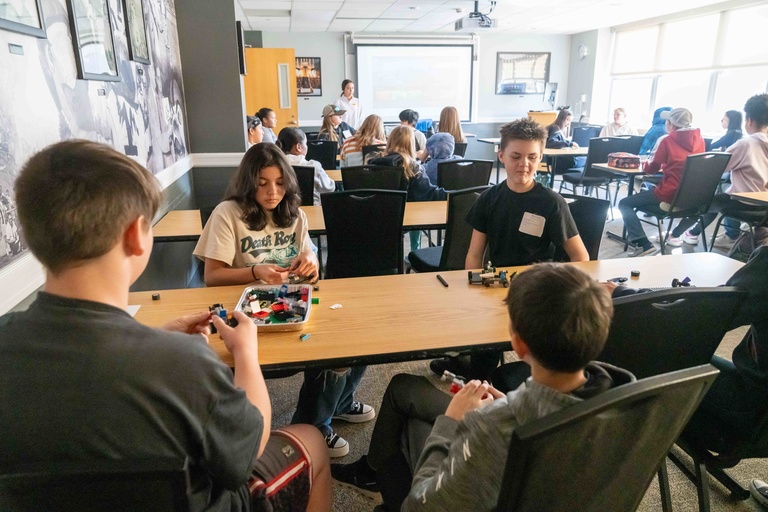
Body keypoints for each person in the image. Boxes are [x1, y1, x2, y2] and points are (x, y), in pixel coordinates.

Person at [2, 139, 331, 512]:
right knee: (312, 440)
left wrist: (157, 338)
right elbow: (245, 453)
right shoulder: (183, 362)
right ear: (136, 235)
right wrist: (246, 354)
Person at [331, 263, 633, 512]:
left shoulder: (494, 428)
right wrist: (510, 402)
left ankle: (378, 485)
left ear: (517, 344)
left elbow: (419, 508)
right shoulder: (627, 396)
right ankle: (373, 476)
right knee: (405, 391)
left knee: (406, 403)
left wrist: (451, 424)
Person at [193, 143, 374, 458]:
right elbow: (213, 276)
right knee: (329, 356)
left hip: (294, 302)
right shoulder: (228, 213)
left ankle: (338, 404)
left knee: (360, 335)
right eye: (262, 184)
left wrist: (311, 262)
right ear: (248, 184)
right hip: (248, 311)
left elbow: (309, 260)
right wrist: (255, 271)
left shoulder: (296, 214)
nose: (272, 192)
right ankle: (314, 428)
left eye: (279, 183)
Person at [430, 118, 589, 381]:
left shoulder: (551, 203)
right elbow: (474, 254)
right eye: (516, 156)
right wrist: (475, 291)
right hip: (497, 283)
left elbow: (580, 257)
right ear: (501, 155)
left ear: (540, 158)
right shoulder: (489, 199)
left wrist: (561, 295)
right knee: (485, 351)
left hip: (537, 289)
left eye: (532, 157)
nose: (524, 164)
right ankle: (477, 370)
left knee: (535, 353)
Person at [669, 94, 768, 247]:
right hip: (763, 208)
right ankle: (694, 234)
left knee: (702, 202)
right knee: (717, 200)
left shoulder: (747, 144)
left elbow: (715, 168)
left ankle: (676, 234)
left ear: (750, 121)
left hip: (743, 203)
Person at [617, 107, 705, 256]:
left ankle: (642, 243)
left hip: (669, 194)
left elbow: (651, 169)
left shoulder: (668, 140)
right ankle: (675, 234)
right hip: (692, 197)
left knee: (624, 203)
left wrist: (644, 164)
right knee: (695, 212)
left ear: (670, 123)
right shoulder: (700, 140)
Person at [368, 126, 448, 251]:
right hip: (406, 218)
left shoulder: (373, 162)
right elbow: (430, 193)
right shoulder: (412, 166)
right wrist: (456, 195)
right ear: (411, 144)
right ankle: (415, 249)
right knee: (417, 206)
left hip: (377, 217)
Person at [276, 127, 335, 205]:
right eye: (306, 143)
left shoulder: (275, 166)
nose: (307, 147)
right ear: (298, 147)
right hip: (314, 212)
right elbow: (329, 188)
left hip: (284, 211)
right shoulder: (313, 166)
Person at [545, 109, 582, 175]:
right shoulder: (555, 128)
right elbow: (551, 143)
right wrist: (570, 144)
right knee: (585, 161)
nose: (568, 123)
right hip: (557, 161)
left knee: (583, 160)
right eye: (567, 120)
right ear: (561, 119)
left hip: (559, 160)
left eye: (570, 121)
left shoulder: (560, 130)